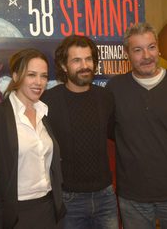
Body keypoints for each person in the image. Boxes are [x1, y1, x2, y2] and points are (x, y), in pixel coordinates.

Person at [41, 35, 119, 229]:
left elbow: (115, 135)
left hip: (105, 196)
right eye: (76, 60)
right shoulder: (48, 101)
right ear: (64, 66)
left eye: (88, 59)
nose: (85, 65)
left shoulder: (106, 97)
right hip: (69, 199)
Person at [0, 48, 66, 229]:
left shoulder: (44, 112)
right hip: (16, 213)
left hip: (49, 208)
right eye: (31, 75)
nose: (39, 82)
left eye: (44, 76)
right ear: (15, 76)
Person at [106, 22, 167, 229]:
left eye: (151, 47)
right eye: (138, 50)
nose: (146, 55)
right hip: (133, 198)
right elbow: (111, 134)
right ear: (127, 54)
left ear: (158, 48)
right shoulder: (114, 89)